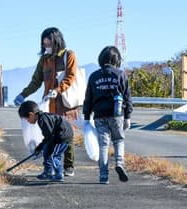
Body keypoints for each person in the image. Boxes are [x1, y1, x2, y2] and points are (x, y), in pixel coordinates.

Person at [13, 27, 78, 177]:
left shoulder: (69, 55)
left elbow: (70, 77)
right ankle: (52, 167)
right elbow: (36, 81)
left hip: (66, 103)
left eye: (48, 44)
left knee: (66, 134)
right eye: (44, 45)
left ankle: (68, 166)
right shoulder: (44, 60)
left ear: (56, 42)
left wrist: (58, 89)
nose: (45, 47)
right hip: (49, 103)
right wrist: (23, 94)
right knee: (49, 135)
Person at [82, 46, 133, 184]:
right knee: (118, 140)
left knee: (103, 145)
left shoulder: (94, 76)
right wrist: (128, 116)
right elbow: (127, 97)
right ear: (117, 60)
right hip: (116, 114)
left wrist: (87, 117)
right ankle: (119, 163)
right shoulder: (121, 74)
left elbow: (88, 99)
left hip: (99, 115)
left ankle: (103, 176)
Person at [18, 100, 73, 182]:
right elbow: (48, 137)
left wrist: (41, 147)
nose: (27, 121)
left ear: (31, 114)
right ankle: (49, 172)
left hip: (61, 137)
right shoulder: (43, 117)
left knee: (52, 155)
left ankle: (59, 174)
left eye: (27, 119)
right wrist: (42, 147)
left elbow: (49, 137)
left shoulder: (42, 119)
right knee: (48, 151)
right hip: (61, 136)